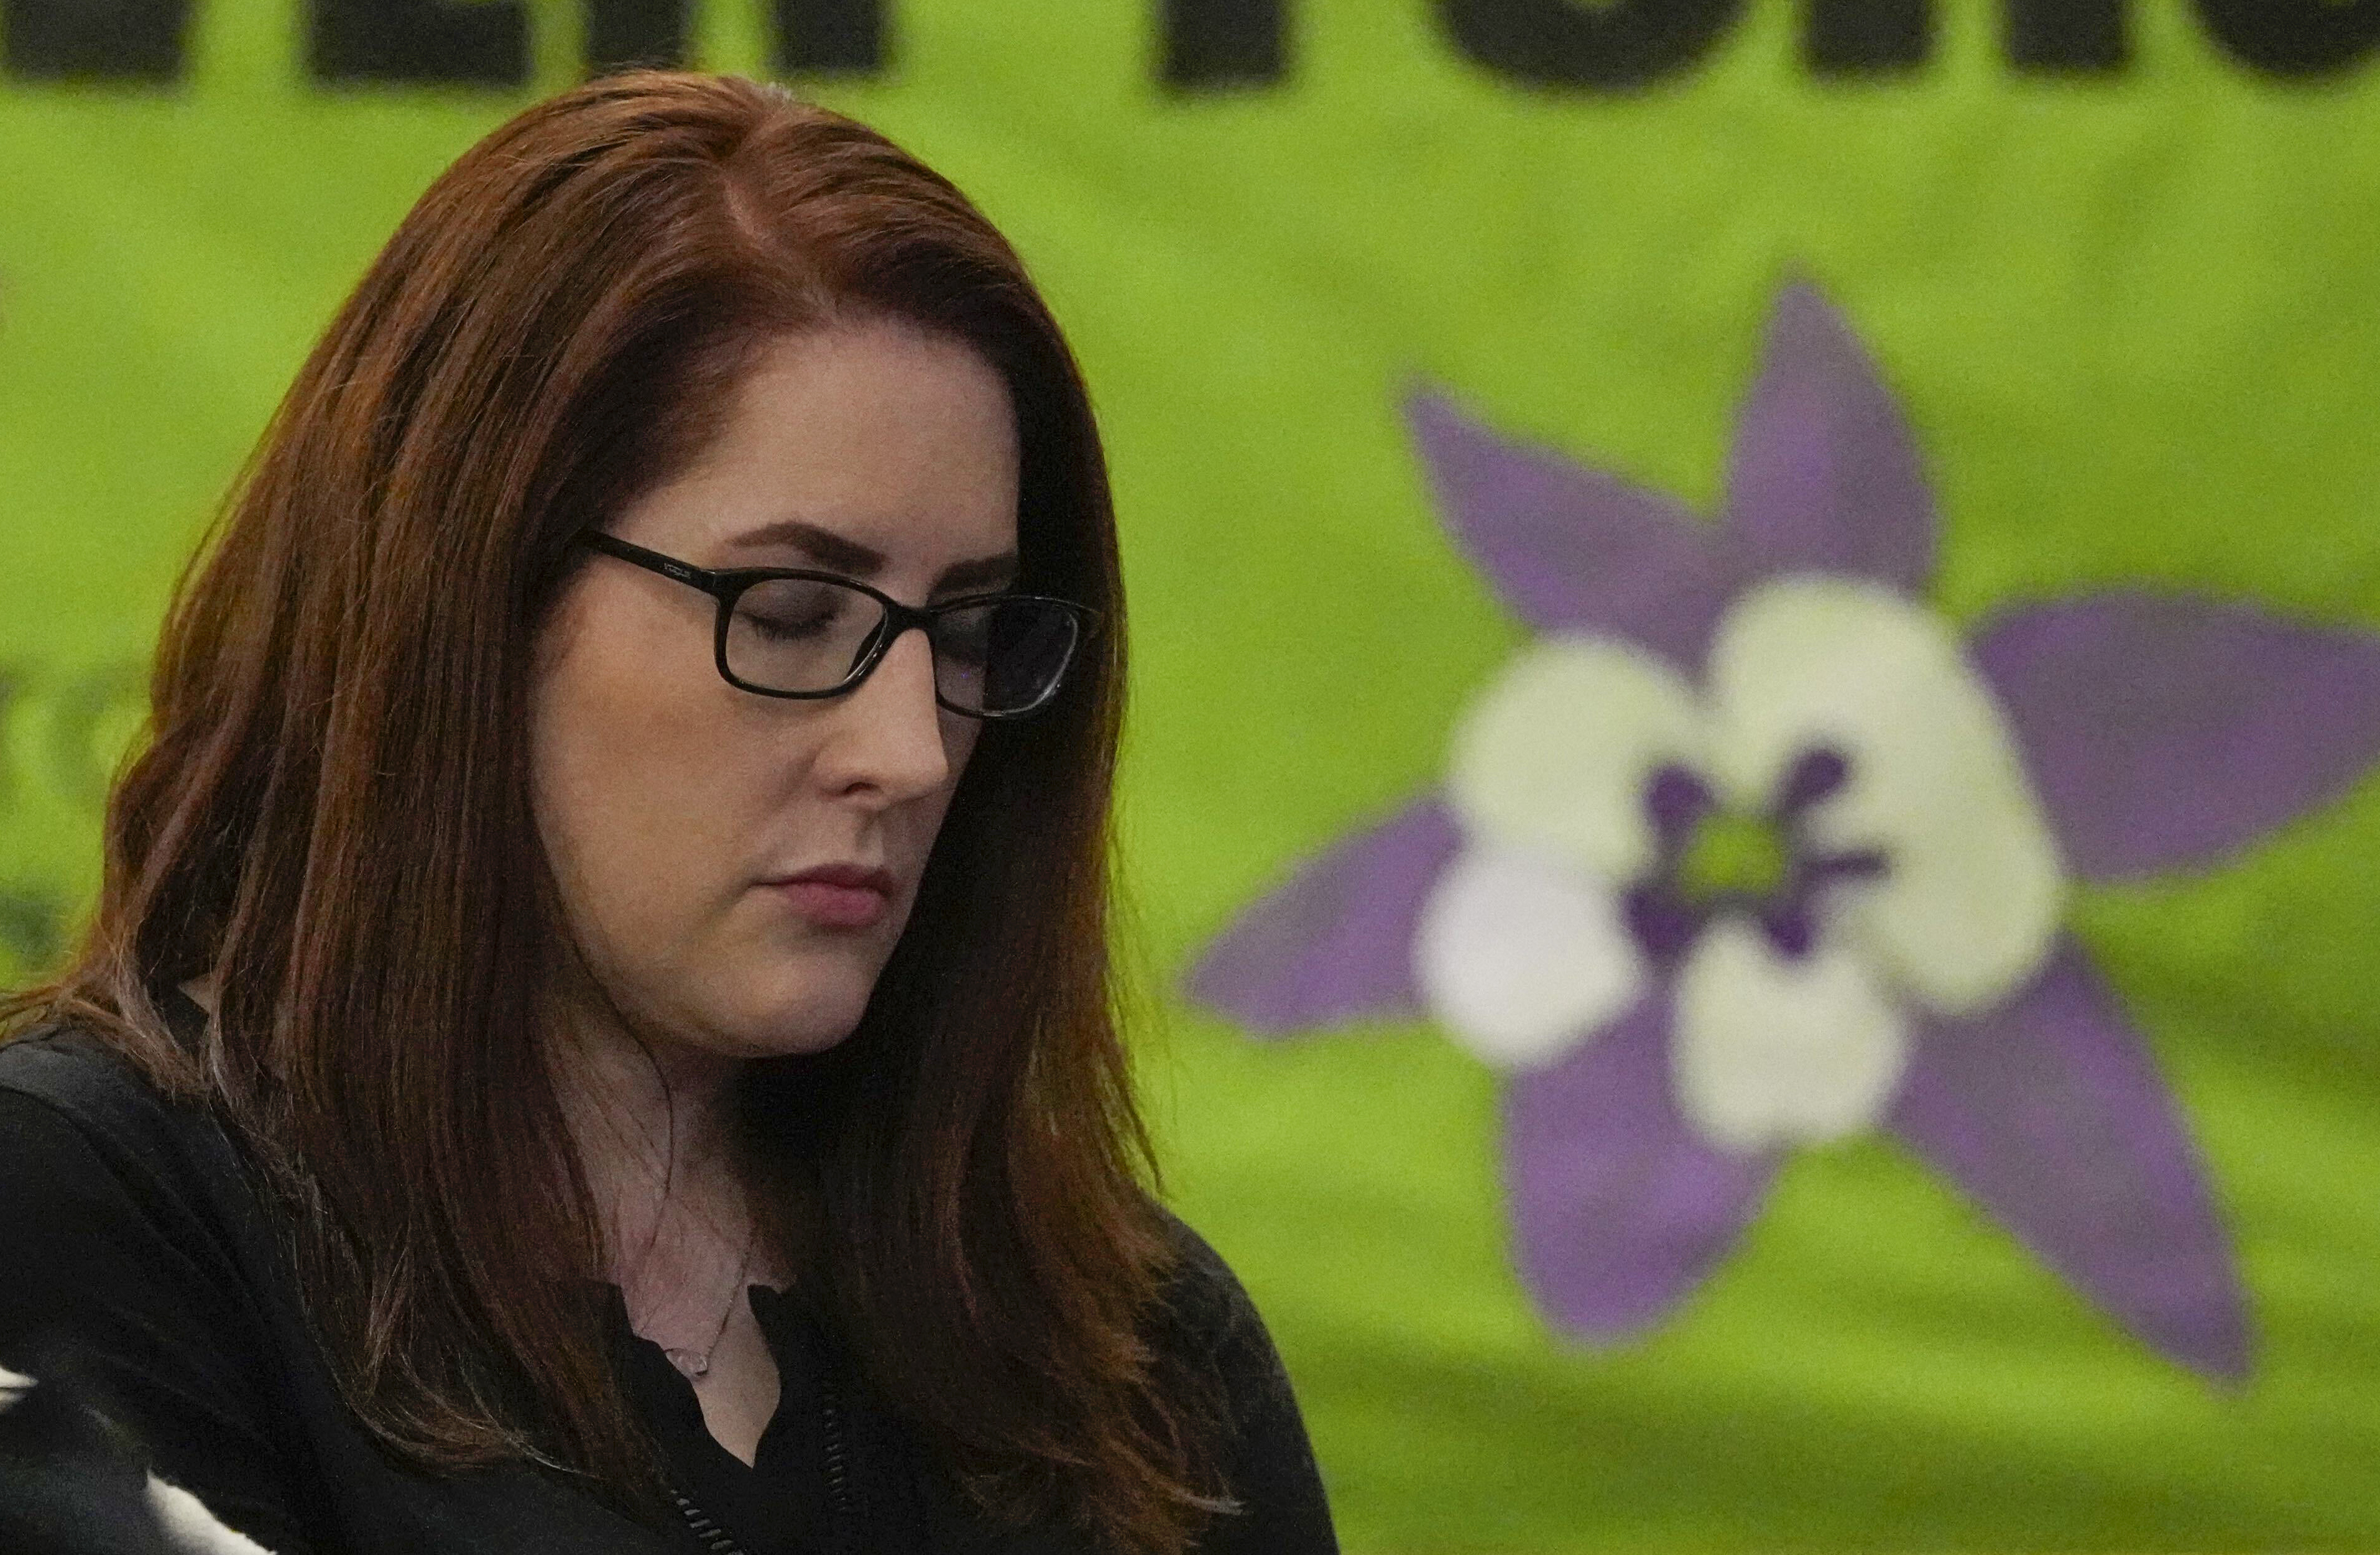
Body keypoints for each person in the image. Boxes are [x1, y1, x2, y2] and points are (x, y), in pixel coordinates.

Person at [0, 69, 1337, 1555]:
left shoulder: (1135, 1354)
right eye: (787, 611)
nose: (911, 750)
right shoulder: (81, 1213)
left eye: (965, 634)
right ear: (464, 603)